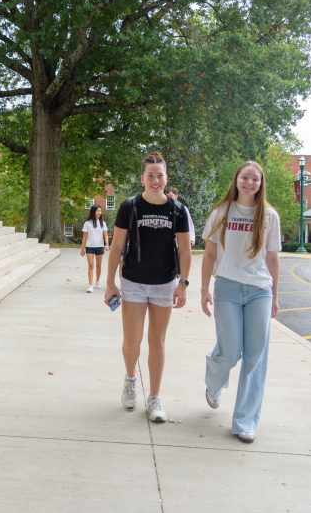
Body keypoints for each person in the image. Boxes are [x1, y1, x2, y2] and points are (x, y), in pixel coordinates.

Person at [105, 152, 192, 423]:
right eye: (151, 175)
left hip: (164, 284)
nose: (156, 180)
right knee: (132, 342)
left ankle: (154, 397)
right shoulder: (130, 207)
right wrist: (110, 283)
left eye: (160, 175)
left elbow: (186, 251)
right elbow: (117, 246)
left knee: (157, 342)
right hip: (133, 282)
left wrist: (183, 283)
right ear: (142, 178)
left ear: (166, 178)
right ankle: (130, 379)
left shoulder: (177, 210)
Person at [200, 160, 281, 444]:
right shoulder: (220, 213)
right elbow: (209, 254)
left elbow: (272, 258)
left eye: (255, 179)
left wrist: (275, 296)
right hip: (227, 288)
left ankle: (245, 421)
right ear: (236, 180)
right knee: (230, 350)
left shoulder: (269, 216)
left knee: (256, 357)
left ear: (261, 184)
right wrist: (203, 289)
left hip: (259, 290)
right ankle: (214, 382)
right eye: (245, 178)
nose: (249, 183)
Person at [81, 204, 109, 293]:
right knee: (91, 265)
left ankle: (97, 281)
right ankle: (90, 286)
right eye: (98, 211)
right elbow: (84, 237)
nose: (99, 213)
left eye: (100, 211)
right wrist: (82, 249)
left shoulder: (102, 223)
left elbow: (105, 235)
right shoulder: (87, 223)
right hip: (89, 247)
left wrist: (107, 244)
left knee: (98, 266)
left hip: (100, 247)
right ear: (93, 212)